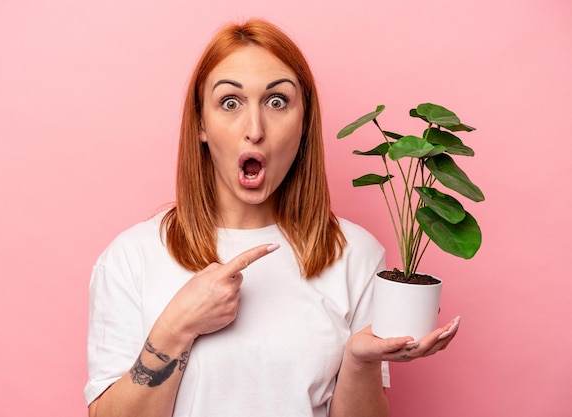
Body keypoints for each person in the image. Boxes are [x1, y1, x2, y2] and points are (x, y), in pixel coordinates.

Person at [84, 18, 460, 417]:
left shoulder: (356, 255)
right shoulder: (130, 257)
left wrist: (360, 361)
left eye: (277, 101)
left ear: (303, 123)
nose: (255, 129)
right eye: (230, 103)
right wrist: (175, 329)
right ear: (200, 124)